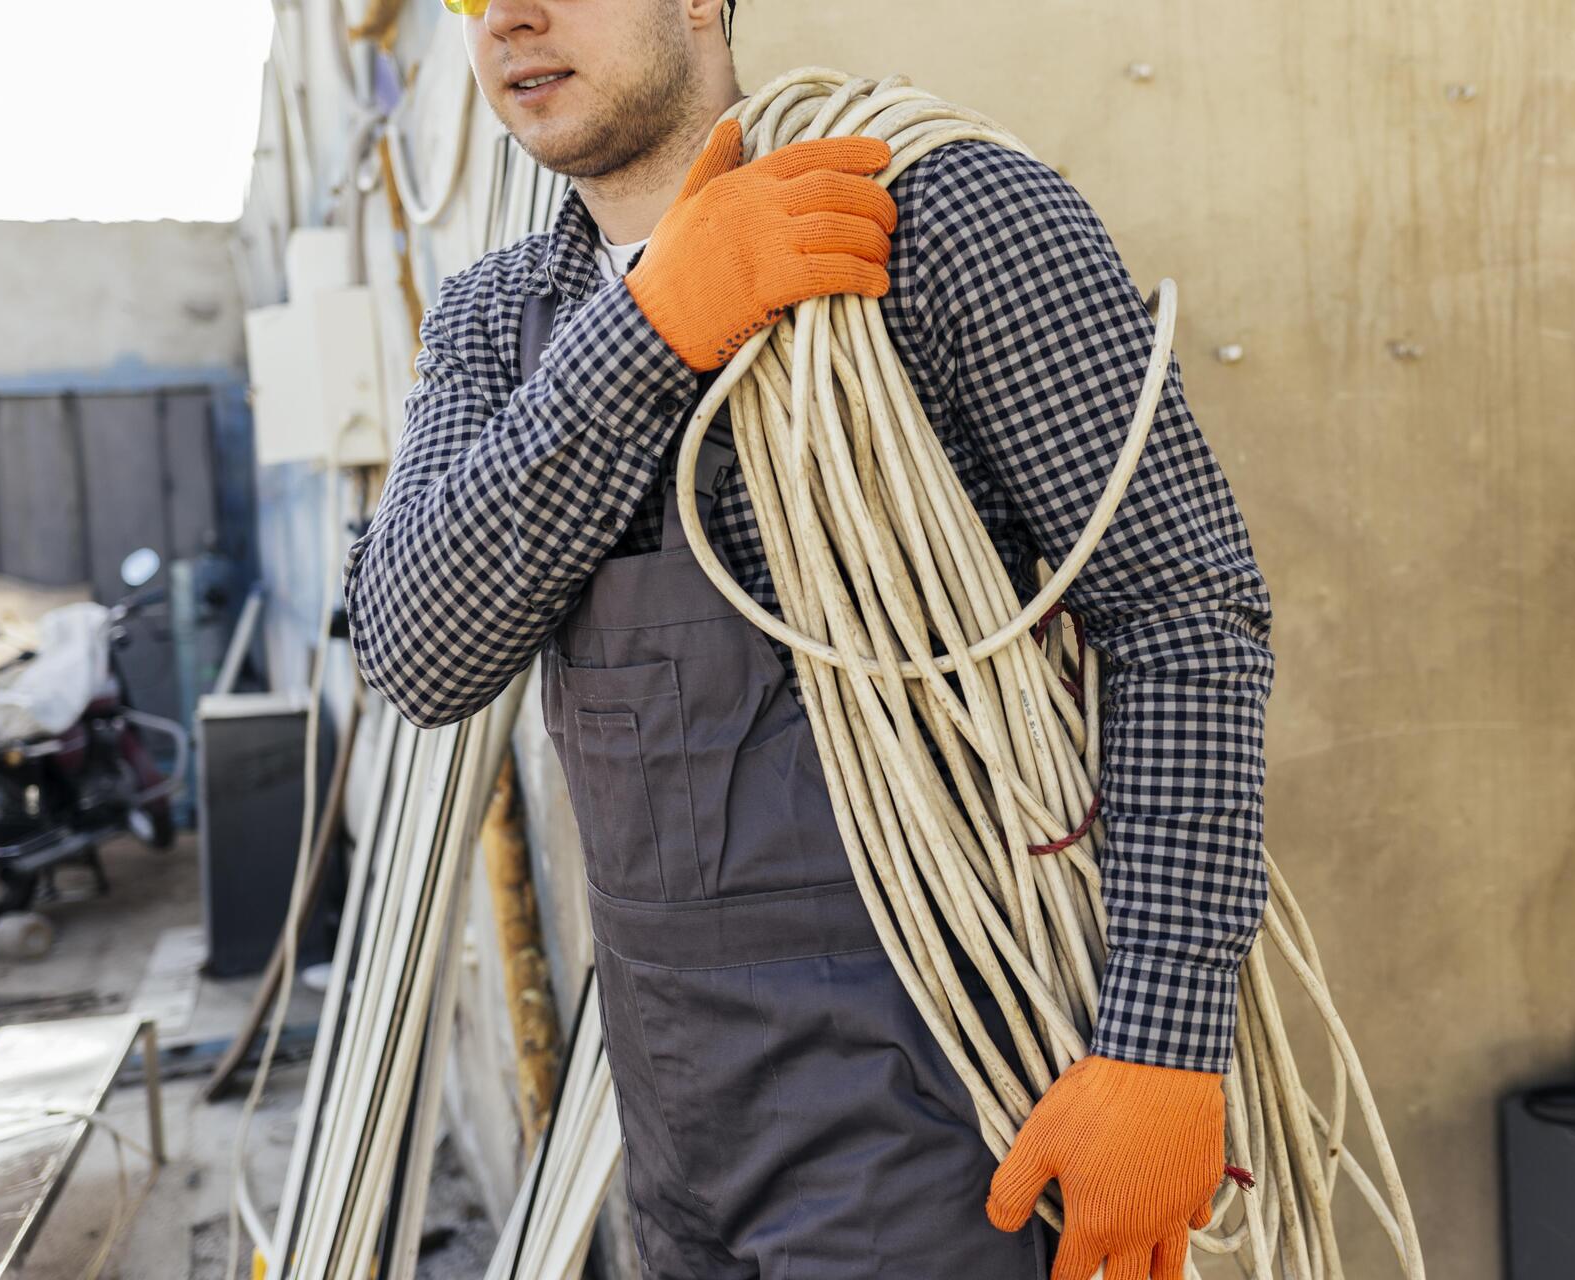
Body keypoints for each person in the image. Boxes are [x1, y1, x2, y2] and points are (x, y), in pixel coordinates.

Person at [342, 2, 1276, 1277]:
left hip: (942, 1111)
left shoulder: (942, 221)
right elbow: (417, 653)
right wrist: (654, 329)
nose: (510, 14)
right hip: (674, 1121)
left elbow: (1183, 612)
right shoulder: (501, 320)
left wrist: (1164, 1042)